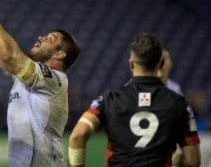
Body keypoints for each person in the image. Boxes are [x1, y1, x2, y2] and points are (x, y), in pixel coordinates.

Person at [0, 0, 81, 167]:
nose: (40, 37)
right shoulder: (33, 78)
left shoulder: (53, 80)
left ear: (60, 54)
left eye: (50, 39)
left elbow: (9, 54)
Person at [68, 33, 201, 167]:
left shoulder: (110, 99)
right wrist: (173, 160)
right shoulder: (179, 104)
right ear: (161, 64)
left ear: (131, 63)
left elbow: (77, 136)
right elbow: (193, 161)